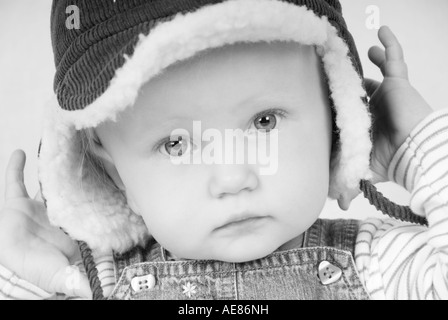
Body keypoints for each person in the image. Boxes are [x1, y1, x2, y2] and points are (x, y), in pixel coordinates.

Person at [0, 0, 446, 300]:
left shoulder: (379, 264)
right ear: (117, 176)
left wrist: (419, 142)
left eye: (265, 121)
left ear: (339, 117)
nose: (233, 178)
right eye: (176, 143)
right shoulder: (93, 280)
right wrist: (20, 274)